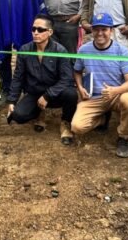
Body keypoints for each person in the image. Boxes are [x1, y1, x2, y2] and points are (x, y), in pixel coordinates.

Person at [72, 13, 128, 158]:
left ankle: (124, 137)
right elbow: (76, 72)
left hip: (117, 96)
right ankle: (102, 118)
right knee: (77, 127)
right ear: (92, 30)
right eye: (96, 29)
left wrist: (115, 91)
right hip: (93, 97)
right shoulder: (84, 50)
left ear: (111, 31)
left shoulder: (122, 51)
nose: (100, 33)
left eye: (104, 29)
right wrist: (80, 87)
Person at [7, 14, 78, 144]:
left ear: (50, 32)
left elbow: (67, 79)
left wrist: (48, 95)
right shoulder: (25, 50)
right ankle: (40, 113)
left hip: (56, 94)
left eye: (40, 30)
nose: (35, 33)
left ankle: (66, 123)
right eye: (33, 29)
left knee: (71, 94)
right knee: (18, 116)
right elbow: (18, 77)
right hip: (35, 92)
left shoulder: (60, 51)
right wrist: (12, 100)